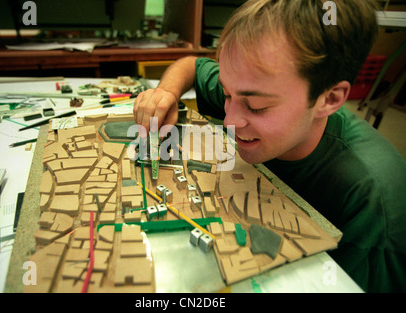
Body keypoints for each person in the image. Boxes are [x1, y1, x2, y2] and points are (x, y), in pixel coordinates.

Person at [133, 0, 406, 293]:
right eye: (226, 94)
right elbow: (192, 64)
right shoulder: (249, 86)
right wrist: (166, 93)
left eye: (257, 107)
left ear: (329, 99)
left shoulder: (373, 198)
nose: (230, 120)